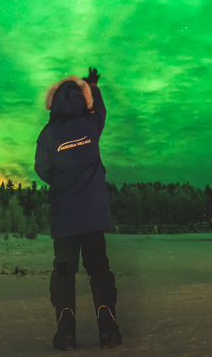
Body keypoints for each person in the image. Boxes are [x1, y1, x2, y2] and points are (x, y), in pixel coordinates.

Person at [35, 67, 122, 350]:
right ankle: (108, 330)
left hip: (65, 224)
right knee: (99, 269)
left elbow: (42, 169)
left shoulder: (48, 135)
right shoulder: (91, 124)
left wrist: (62, 183)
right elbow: (100, 109)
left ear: (54, 103)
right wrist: (93, 85)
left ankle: (66, 333)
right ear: (82, 100)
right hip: (94, 219)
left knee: (63, 272)